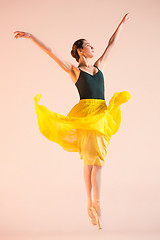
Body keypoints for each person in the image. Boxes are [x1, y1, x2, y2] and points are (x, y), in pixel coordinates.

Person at [14, 13, 131, 229]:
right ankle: (95, 203)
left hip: (101, 114)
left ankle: (91, 205)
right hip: (86, 116)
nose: (93, 48)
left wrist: (121, 25)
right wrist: (32, 37)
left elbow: (111, 43)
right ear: (79, 50)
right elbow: (52, 52)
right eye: (88, 45)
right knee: (93, 161)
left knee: (94, 160)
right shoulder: (74, 70)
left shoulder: (99, 67)